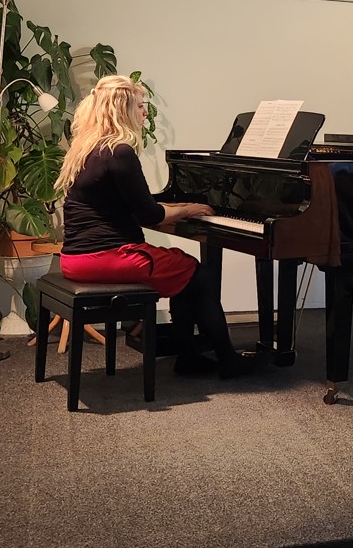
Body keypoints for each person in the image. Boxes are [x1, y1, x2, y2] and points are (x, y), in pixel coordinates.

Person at [55, 75, 250, 378]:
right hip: (106, 257)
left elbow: (136, 205)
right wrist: (189, 209)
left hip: (75, 258)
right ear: (122, 109)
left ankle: (189, 356)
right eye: (139, 106)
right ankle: (226, 360)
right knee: (198, 274)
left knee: (185, 270)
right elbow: (149, 214)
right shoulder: (120, 151)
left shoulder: (87, 148)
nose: (145, 112)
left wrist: (178, 209)